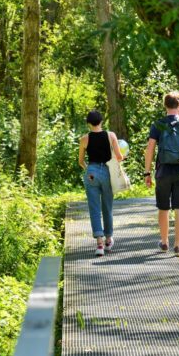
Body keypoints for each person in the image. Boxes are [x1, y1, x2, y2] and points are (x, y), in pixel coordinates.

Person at [144, 92, 179, 257]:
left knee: (163, 208)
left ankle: (165, 242)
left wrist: (147, 172)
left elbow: (150, 148)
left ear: (165, 105)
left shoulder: (158, 125)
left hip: (163, 171)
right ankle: (178, 247)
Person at [79, 110, 123, 256]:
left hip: (91, 172)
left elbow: (80, 161)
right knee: (107, 206)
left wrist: (89, 170)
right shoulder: (111, 136)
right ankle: (109, 240)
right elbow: (119, 156)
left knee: (94, 208)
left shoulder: (84, 139)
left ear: (88, 123)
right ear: (102, 121)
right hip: (106, 172)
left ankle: (99, 244)